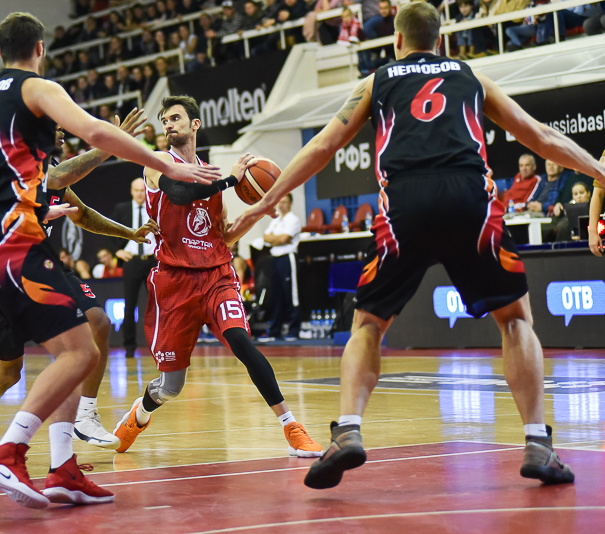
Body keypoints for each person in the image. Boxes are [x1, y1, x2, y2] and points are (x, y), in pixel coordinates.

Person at [233, 1, 605, 489]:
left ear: (396, 40)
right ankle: (538, 442)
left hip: (404, 203)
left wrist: (264, 204)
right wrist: (599, 171)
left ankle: (348, 431)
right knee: (515, 320)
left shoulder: (377, 81)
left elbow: (323, 147)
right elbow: (538, 135)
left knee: (368, 324)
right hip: (468, 198)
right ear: (441, 41)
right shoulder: (470, 76)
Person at [0, 12, 220, 510]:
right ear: (40, 48)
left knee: (79, 342)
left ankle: (63, 470)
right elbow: (95, 132)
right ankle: (9, 451)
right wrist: (163, 163)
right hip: (12, 236)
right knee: (79, 354)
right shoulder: (34, 88)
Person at [112, 95, 321, 458]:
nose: (168, 125)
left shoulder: (211, 173)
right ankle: (140, 414)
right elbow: (180, 193)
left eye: (175, 118)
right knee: (171, 387)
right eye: (165, 120)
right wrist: (229, 180)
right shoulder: (159, 162)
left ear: (195, 124)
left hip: (216, 275)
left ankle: (291, 426)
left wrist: (260, 209)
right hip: (174, 280)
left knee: (241, 341)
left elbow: (222, 235)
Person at [0, 113, 152, 463]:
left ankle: (85, 415)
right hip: (2, 275)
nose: (62, 132)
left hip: (42, 266)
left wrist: (129, 233)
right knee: (8, 372)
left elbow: (83, 214)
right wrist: (110, 141)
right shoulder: (21, 168)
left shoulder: (55, 172)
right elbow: (59, 176)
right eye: (57, 128)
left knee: (98, 322)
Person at [109, 178, 158, 357]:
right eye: (136, 190)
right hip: (132, 261)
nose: (139, 194)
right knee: (129, 305)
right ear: (131, 191)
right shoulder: (122, 209)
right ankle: (129, 347)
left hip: (152, 260)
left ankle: (159, 344)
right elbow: (109, 231)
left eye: (142, 190)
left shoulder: (154, 207)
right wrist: (117, 251)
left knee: (157, 304)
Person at [259, 193, 302, 342]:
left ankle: (294, 330)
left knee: (291, 294)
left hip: (287, 258)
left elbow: (285, 239)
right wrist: (277, 239)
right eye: (280, 202)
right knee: (275, 296)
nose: (281, 205)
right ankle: (275, 331)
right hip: (275, 259)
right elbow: (265, 237)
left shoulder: (294, 220)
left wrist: (275, 239)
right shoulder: (276, 220)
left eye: (284, 202)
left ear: (290, 204)